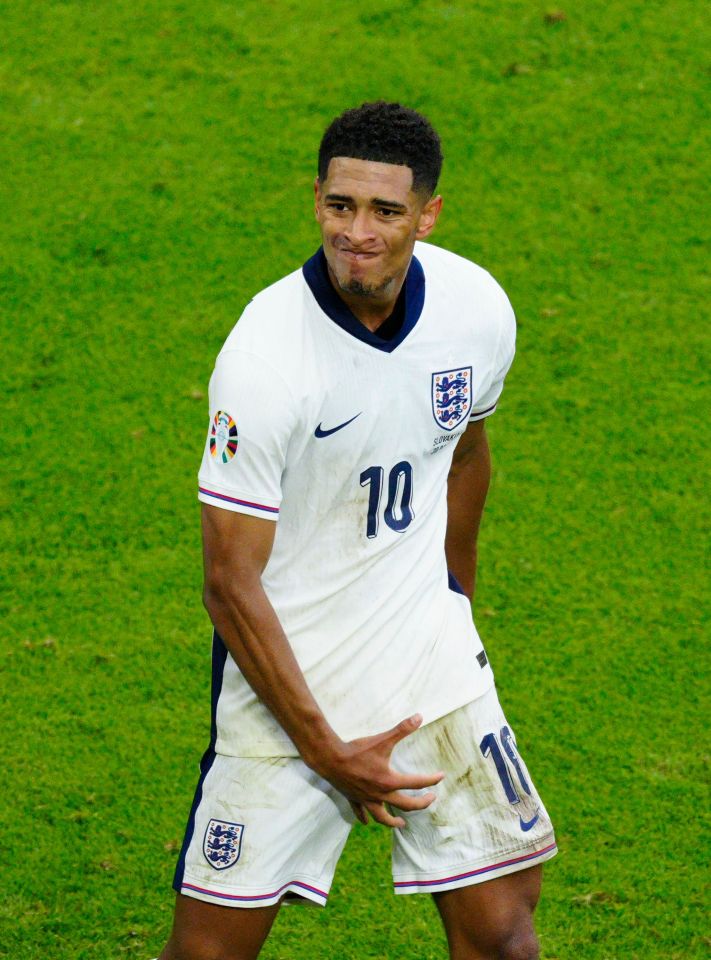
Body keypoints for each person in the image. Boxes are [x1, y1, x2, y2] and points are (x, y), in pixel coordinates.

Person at [157, 101, 556, 960]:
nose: (357, 233)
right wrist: (324, 748)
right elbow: (228, 580)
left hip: (429, 664)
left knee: (504, 939)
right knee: (208, 953)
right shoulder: (266, 359)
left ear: (427, 215)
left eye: (384, 211)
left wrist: (453, 606)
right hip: (289, 682)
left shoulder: (474, 307)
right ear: (315, 199)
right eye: (340, 206)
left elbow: (464, 454)